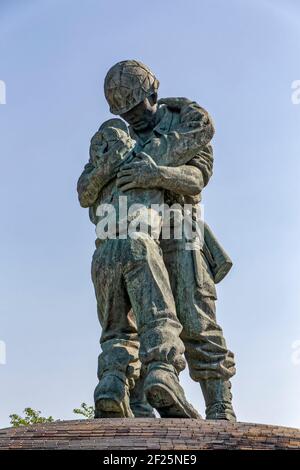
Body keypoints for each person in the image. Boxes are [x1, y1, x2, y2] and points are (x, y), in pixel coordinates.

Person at [104, 60, 236, 421]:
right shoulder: (123, 138)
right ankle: (144, 400)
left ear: (153, 96)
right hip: (136, 234)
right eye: (125, 113)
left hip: (182, 232)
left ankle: (220, 405)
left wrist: (156, 173)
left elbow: (195, 180)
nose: (134, 118)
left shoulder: (183, 125)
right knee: (145, 317)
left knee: (196, 321)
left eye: (138, 108)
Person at [77, 93, 214, 418]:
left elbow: (84, 193)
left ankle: (112, 383)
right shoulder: (155, 150)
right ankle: (163, 374)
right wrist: (180, 102)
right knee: (159, 316)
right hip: (143, 241)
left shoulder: (106, 155)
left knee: (119, 329)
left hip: (109, 247)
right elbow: (203, 128)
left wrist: (106, 169)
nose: (131, 116)